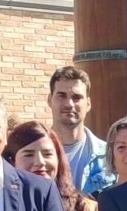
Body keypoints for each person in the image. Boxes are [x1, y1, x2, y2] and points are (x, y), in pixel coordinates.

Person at [47, 65, 112, 195]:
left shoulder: (109, 156)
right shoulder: (33, 154)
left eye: (76, 97)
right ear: (49, 100)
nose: (69, 104)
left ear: (88, 104)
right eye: (61, 96)